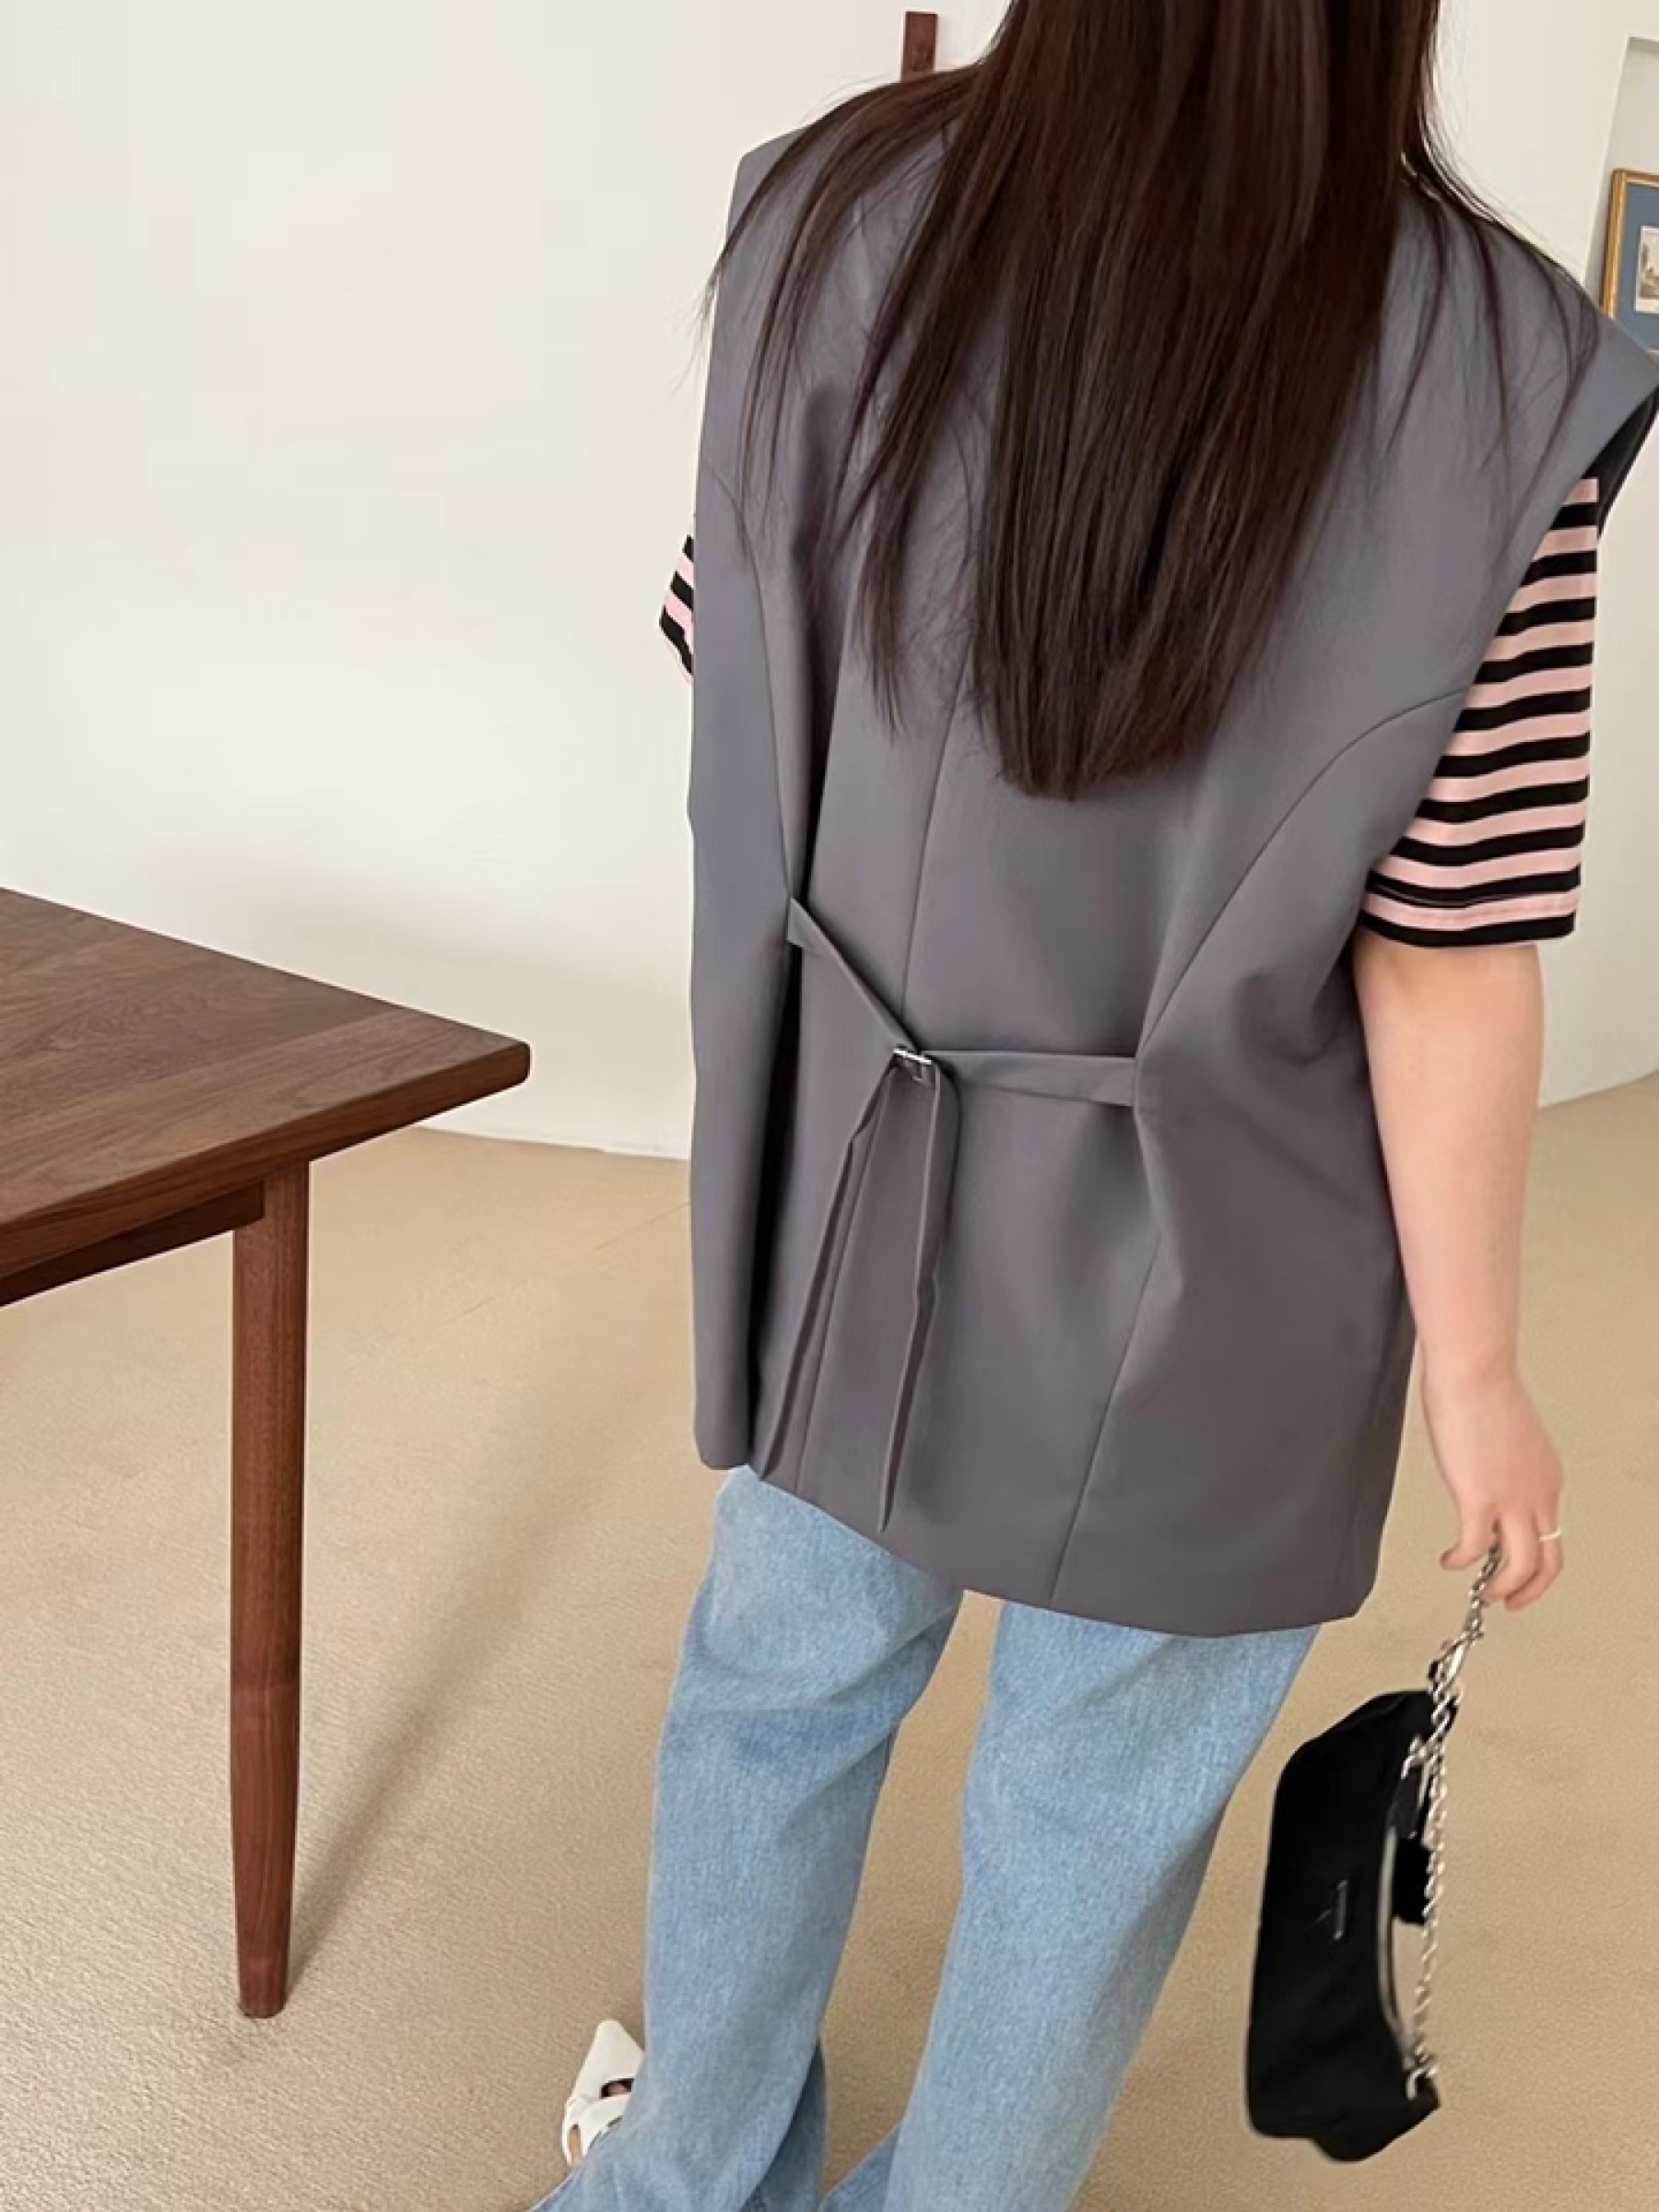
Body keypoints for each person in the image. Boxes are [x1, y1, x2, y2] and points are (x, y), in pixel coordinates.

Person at [544, 5, 1659, 2206]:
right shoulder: (1510, 364)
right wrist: (1480, 1373)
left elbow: (728, 668)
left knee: (774, 1698)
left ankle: (674, 2184)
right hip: (1236, 1256)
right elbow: (1445, 943)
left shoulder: (832, 210)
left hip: (857, 1176)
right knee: (1098, 1809)